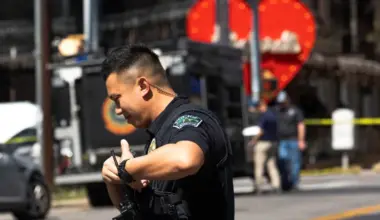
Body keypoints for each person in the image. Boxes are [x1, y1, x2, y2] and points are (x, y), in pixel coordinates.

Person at [100, 44, 235, 220]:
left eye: (117, 99)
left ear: (143, 86)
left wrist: (128, 169)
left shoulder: (191, 119)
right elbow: (137, 211)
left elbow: (185, 159)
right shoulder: (159, 133)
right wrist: (114, 178)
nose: (117, 110)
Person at [248, 100, 281, 194]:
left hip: (263, 143)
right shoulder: (273, 115)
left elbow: (260, 131)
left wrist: (254, 140)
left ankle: (259, 186)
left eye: (258, 107)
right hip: (273, 142)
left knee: (259, 165)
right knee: (272, 164)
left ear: (261, 106)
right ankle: (276, 185)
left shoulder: (264, 116)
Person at [276, 91, 306, 190]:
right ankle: (285, 182)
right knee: (282, 161)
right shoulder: (277, 111)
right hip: (281, 141)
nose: (282, 104)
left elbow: (300, 125)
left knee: (294, 162)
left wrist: (301, 140)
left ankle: (294, 182)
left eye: (283, 102)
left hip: (293, 140)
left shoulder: (295, 111)